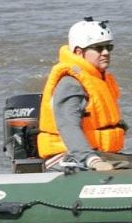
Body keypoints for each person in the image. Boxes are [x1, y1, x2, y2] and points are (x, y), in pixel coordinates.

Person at [37, 17, 127, 172]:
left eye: (108, 47)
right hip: (69, 157)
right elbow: (68, 126)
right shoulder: (71, 83)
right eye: (98, 48)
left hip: (99, 153)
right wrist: (92, 160)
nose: (105, 52)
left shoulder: (99, 80)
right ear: (79, 52)